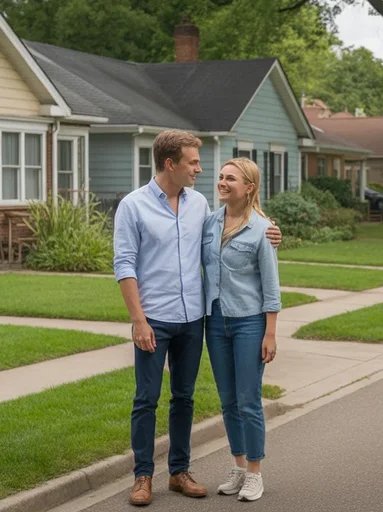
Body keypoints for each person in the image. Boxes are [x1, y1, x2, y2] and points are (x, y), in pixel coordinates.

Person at [113, 131, 280, 507]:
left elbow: (237, 225)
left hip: (193, 320)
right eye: (193, 162)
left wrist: (269, 230)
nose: (200, 170)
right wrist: (138, 320)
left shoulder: (199, 204)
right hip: (153, 318)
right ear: (170, 164)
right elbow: (124, 264)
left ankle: (179, 471)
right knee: (146, 399)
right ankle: (142, 477)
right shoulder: (133, 206)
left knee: (184, 398)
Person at [202, 158, 281, 502]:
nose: (222, 182)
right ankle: (236, 468)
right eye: (220, 177)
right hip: (215, 321)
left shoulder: (262, 229)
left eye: (230, 178)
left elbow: (271, 286)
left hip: (250, 322)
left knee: (249, 400)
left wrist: (270, 332)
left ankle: (254, 473)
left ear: (248, 187)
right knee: (228, 401)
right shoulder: (209, 223)